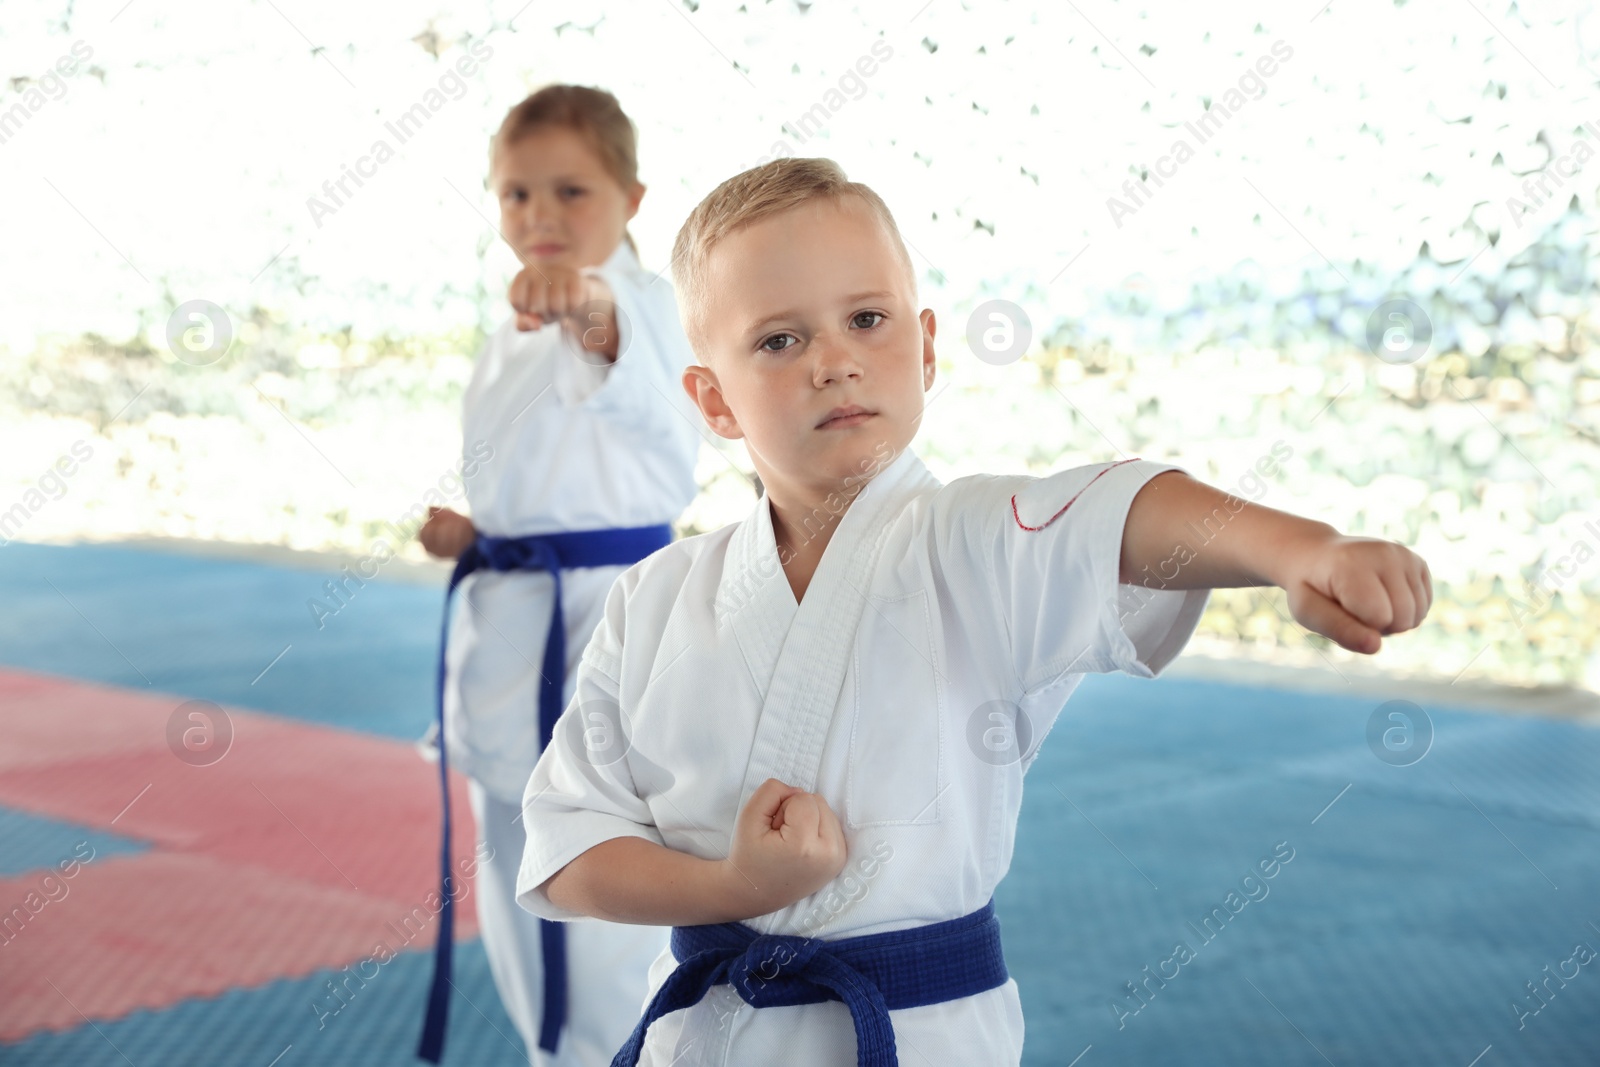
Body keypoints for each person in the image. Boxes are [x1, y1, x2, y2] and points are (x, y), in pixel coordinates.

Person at [511, 157, 1433, 1067]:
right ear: (714, 399)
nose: (834, 361)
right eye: (779, 341)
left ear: (923, 347)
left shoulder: (971, 541)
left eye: (866, 319)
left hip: (917, 1035)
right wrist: (731, 884)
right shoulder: (657, 595)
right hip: (703, 1038)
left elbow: (1119, 515)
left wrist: (1297, 548)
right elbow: (570, 844)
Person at [414, 85, 702, 1067]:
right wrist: (480, 530)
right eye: (516, 195)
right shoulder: (511, 326)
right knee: (513, 886)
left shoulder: (642, 302)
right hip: (512, 619)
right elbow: (543, 479)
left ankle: (618, 1053)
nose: (539, 217)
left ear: (631, 197)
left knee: (601, 888)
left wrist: (589, 310)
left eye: (569, 192)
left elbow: (656, 423)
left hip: (603, 624)